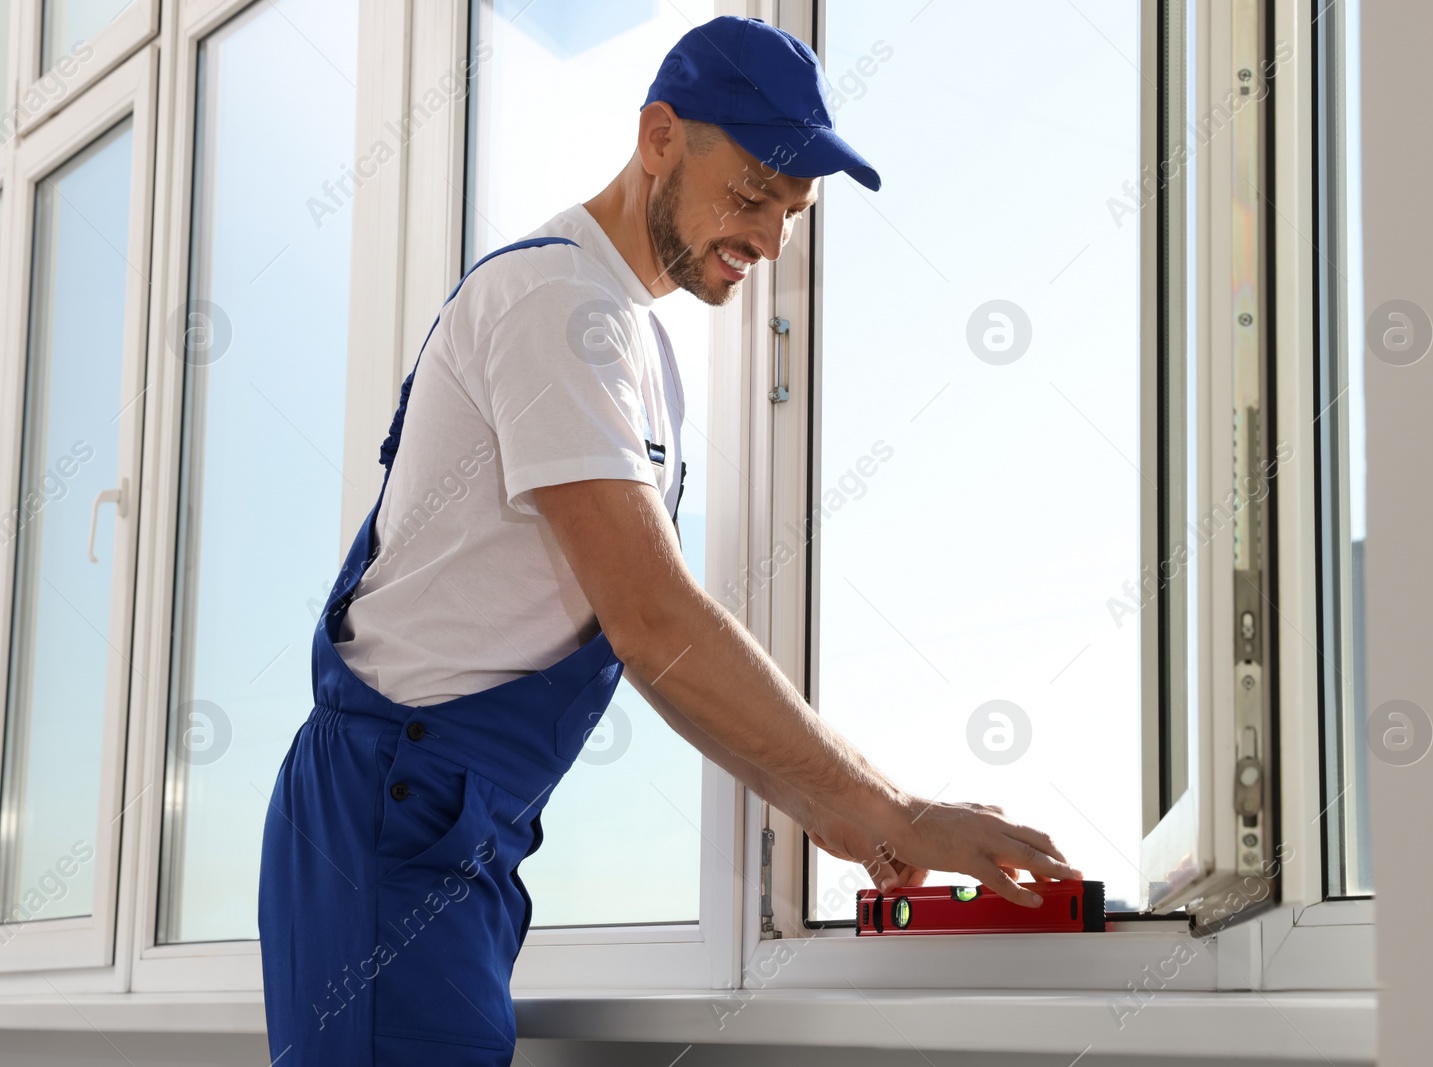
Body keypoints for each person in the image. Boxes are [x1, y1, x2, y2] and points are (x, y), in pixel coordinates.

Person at [259, 15, 1083, 1066]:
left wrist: (840, 819)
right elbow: (653, 619)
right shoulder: (561, 307)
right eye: (750, 195)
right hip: (394, 808)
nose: (772, 239)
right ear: (658, 137)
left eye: (793, 211)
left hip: (454, 821)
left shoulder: (626, 337)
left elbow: (648, 633)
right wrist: (896, 808)